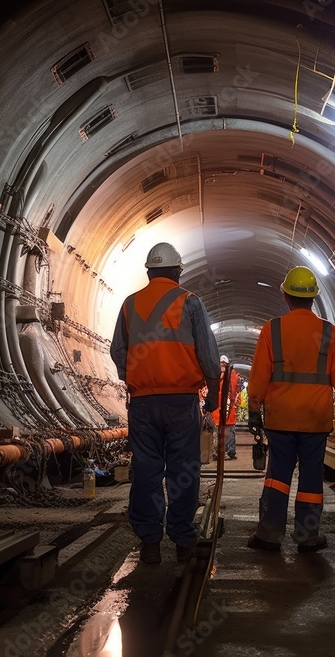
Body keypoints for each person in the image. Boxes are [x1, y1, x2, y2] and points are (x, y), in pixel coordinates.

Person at [110, 242, 221, 564]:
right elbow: (208, 353)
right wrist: (212, 391)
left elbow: (118, 350)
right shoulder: (190, 302)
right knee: (183, 470)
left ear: (149, 271)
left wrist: (134, 377)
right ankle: (183, 539)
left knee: (146, 470)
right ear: (177, 271)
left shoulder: (130, 304)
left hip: (142, 403)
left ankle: (150, 542)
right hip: (180, 400)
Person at [246, 266, 335, 553]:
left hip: (281, 418)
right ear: (314, 297)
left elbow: (259, 373)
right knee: (310, 478)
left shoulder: (273, 330)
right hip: (315, 420)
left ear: (285, 295)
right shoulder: (329, 332)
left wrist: (255, 409)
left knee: (277, 476)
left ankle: (270, 534)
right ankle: (307, 537)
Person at [209, 355, 241, 459]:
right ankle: (227, 452)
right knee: (227, 433)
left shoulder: (215, 376)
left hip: (220, 412)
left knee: (221, 433)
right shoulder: (233, 375)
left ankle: (221, 452)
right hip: (224, 412)